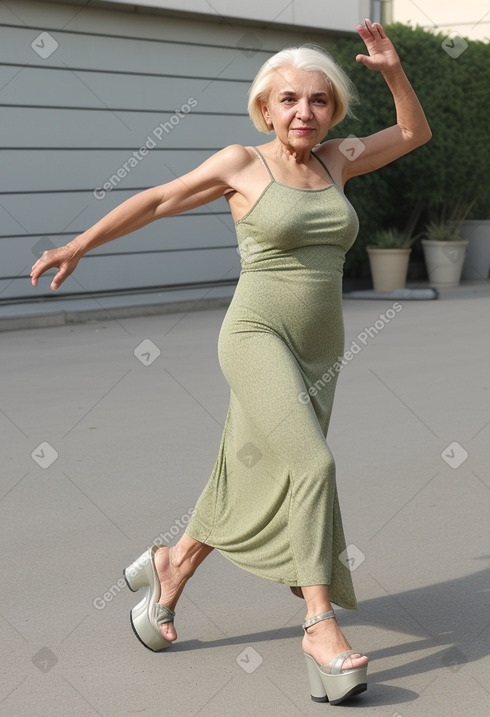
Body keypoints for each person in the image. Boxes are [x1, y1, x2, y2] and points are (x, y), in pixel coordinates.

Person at [31, 19, 431, 705]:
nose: (304, 112)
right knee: (311, 465)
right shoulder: (241, 164)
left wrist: (393, 71)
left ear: (332, 110)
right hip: (255, 335)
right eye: (288, 100)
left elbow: (413, 133)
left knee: (254, 469)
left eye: (319, 101)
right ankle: (319, 627)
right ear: (265, 107)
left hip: (320, 348)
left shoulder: (339, 160)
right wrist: (81, 244)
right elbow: (157, 199)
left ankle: (170, 566)